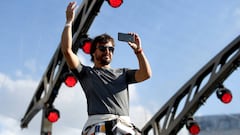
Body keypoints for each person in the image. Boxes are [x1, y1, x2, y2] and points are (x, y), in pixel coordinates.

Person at [61, 1, 152, 135]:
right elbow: (67, 51)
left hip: (124, 127)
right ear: (93, 52)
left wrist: (139, 51)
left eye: (111, 49)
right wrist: (69, 22)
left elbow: (146, 74)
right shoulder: (86, 72)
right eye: (103, 48)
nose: (107, 51)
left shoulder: (123, 73)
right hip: (98, 126)